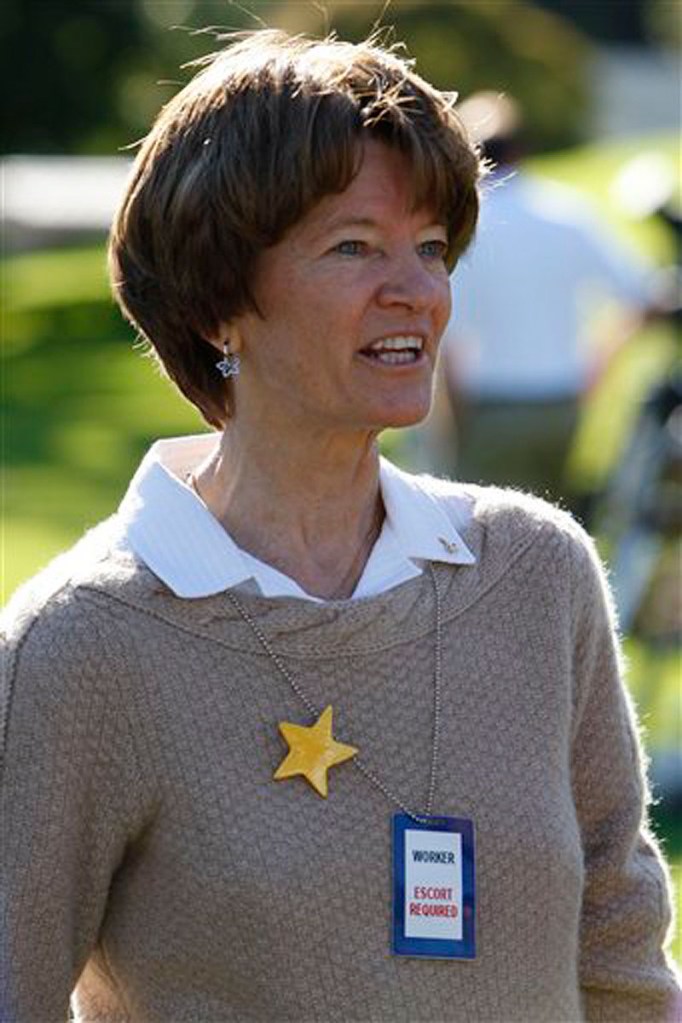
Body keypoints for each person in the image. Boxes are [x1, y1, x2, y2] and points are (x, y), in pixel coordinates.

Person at [1, 30, 679, 1023]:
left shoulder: (538, 574)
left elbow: (623, 966)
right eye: (353, 246)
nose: (414, 289)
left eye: (432, 247)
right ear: (217, 304)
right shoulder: (82, 646)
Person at [439, 91, 656, 507]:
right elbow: (642, 294)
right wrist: (595, 365)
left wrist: (452, 430)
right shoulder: (567, 213)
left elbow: (451, 345)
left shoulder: (464, 226)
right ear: (523, 149)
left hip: (490, 407)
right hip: (562, 404)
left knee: (481, 544)